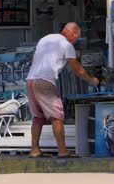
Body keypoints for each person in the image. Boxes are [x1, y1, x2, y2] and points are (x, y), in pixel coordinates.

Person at [26, 22, 99, 158]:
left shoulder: (46, 39)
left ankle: (35, 150)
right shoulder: (66, 45)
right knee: (57, 116)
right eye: (77, 38)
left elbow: (34, 60)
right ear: (73, 33)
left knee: (38, 117)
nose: (76, 40)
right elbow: (77, 69)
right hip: (44, 81)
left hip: (30, 79)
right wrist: (91, 80)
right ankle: (62, 150)